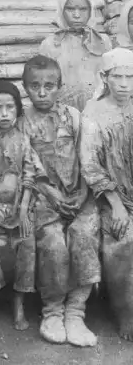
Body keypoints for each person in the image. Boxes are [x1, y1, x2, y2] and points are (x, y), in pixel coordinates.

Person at [20, 55, 100, 346]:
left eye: (49, 86)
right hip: (43, 198)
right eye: (35, 86)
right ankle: (52, 311)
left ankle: (76, 311)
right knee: (53, 243)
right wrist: (51, 194)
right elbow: (27, 165)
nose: (42, 93)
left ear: (60, 87)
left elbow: (87, 157)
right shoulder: (22, 122)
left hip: (79, 196)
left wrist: (83, 193)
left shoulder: (74, 117)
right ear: (25, 87)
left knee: (84, 235)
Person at [0, 81, 45, 331]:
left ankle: (19, 301)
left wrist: (24, 209)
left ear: (17, 110)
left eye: (10, 107)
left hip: (18, 208)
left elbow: (29, 176)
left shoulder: (23, 140)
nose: (4, 114)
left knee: (27, 242)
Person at [80, 47, 133, 342]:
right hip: (108, 196)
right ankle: (125, 310)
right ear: (104, 77)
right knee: (122, 239)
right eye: (118, 77)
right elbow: (90, 165)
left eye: (130, 77)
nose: (124, 84)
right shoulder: (93, 113)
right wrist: (116, 205)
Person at [39, 0, 111, 111]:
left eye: (83, 9)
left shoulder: (103, 42)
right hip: (62, 113)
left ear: (91, 10)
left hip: (98, 112)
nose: (77, 15)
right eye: (70, 9)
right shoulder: (50, 44)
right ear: (61, 9)